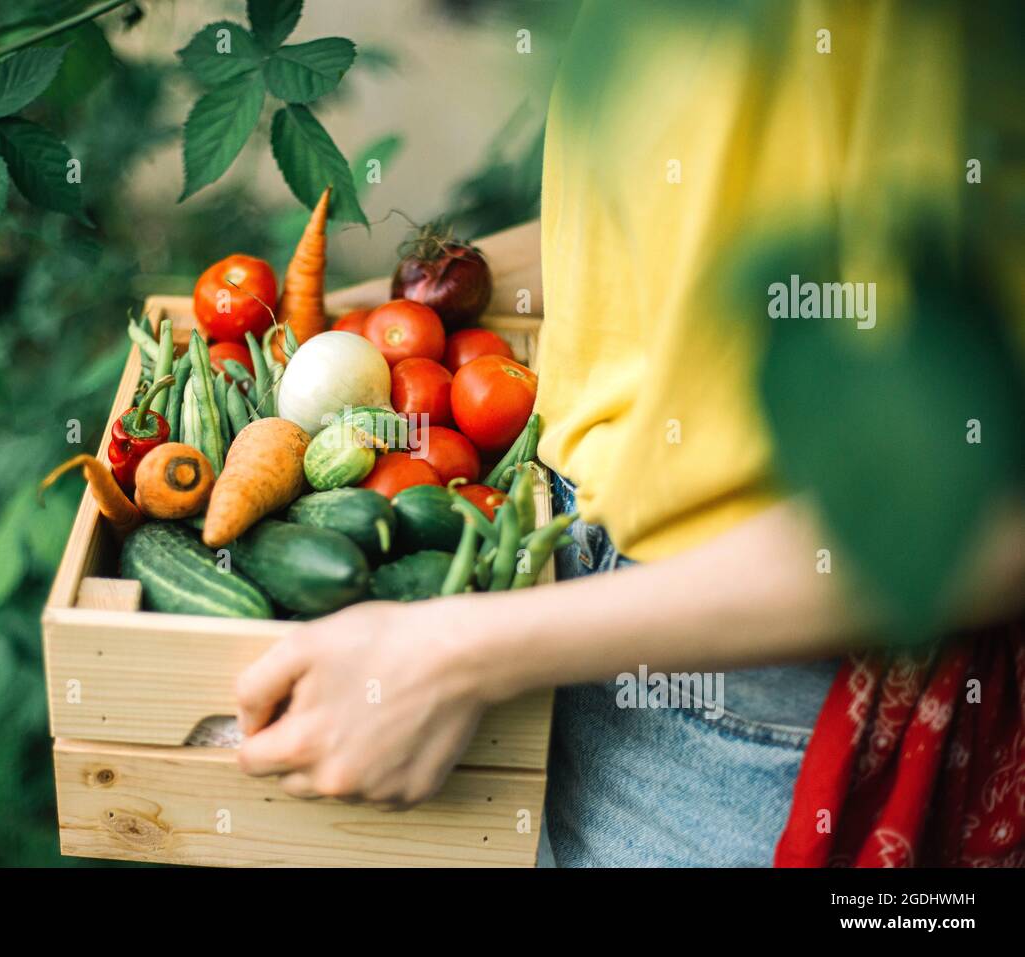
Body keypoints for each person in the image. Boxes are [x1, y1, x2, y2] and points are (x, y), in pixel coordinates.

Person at [233, 0, 1025, 866]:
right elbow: (683, 231)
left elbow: (989, 516)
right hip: (556, 574)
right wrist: (383, 326)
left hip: (751, 705)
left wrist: (451, 656)